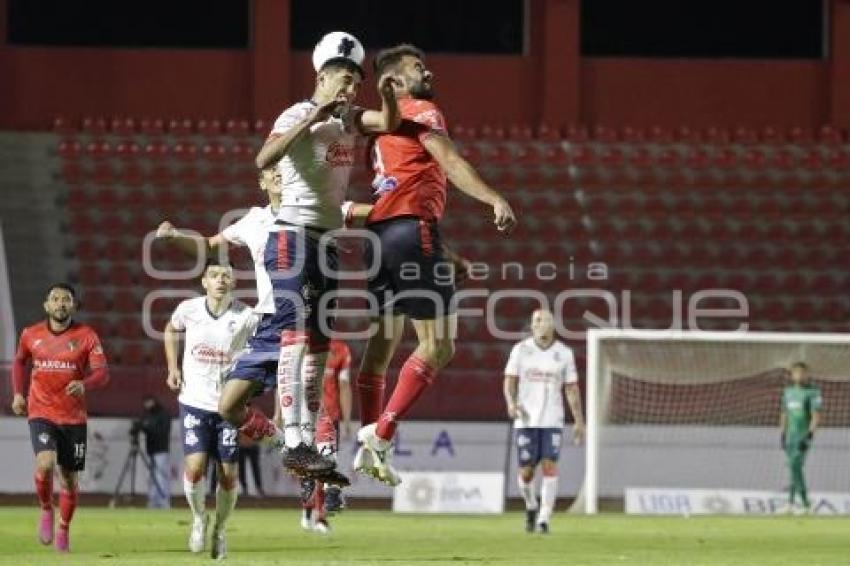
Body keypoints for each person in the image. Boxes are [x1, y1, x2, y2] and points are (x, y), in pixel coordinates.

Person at [353, 44, 518, 485]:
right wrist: (493, 197)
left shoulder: (377, 132)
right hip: (412, 230)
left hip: (379, 238)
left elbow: (397, 194)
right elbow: (450, 160)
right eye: (417, 67)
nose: (429, 72)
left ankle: (367, 433)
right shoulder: (421, 110)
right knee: (439, 345)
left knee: (380, 351)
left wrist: (443, 255)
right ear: (398, 82)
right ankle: (381, 435)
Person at [252, 30, 400, 473]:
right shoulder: (298, 112)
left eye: (356, 82)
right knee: (295, 333)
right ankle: (292, 435)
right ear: (321, 77)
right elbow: (264, 159)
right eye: (343, 79)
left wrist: (388, 97)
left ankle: (310, 433)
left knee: (318, 344)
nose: (351, 89)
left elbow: (387, 123)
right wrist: (313, 115)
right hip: (291, 234)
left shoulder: (351, 118)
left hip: (328, 242)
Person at [10, 283, 110, 552]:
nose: (61, 303)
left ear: (73, 306)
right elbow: (20, 362)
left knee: (69, 479)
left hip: (73, 417)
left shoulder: (87, 335)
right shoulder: (31, 334)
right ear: (46, 305)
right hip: (41, 410)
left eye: (66, 299)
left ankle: (63, 528)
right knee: (45, 464)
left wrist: (84, 384)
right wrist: (19, 394)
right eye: (55, 299)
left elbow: (102, 372)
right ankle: (46, 508)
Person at [163, 261, 252, 559]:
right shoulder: (188, 309)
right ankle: (199, 518)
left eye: (227, 275)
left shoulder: (246, 316)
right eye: (214, 275)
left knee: (227, 475)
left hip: (228, 406)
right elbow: (170, 329)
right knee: (195, 467)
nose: (221, 280)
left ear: (234, 282)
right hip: (194, 401)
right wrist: (173, 368)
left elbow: (263, 350)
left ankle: (221, 528)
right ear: (204, 282)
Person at [503, 309, 584, 534]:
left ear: (553, 325)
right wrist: (511, 402)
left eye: (546, 319)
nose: (541, 323)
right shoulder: (521, 350)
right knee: (526, 472)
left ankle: (544, 519)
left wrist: (578, 420)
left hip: (552, 419)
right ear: (531, 326)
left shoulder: (564, 353)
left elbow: (571, 388)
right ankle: (531, 505)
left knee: (549, 465)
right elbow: (509, 381)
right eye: (537, 320)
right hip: (526, 419)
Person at [297, 338, 352, 534]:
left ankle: (320, 516)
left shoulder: (341, 349)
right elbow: (287, 380)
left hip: (329, 417)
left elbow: (344, 385)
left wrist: (346, 419)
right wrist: (281, 414)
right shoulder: (301, 344)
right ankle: (307, 507)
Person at [780, 361, 822, 513]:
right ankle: (790, 503)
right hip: (790, 435)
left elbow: (816, 416)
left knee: (794, 465)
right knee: (793, 468)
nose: (800, 375)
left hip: (802, 435)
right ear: (791, 375)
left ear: (807, 375)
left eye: (803, 373)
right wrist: (782, 434)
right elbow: (784, 414)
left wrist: (809, 436)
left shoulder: (812, 392)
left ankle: (805, 503)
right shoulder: (787, 392)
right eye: (796, 372)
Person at [134, 395, 171, 509]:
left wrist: (148, 427)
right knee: (152, 476)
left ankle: (163, 500)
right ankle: (153, 500)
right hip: (151, 449)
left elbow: (163, 430)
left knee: (160, 476)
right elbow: (146, 428)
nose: (147, 405)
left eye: (149, 402)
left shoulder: (163, 414)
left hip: (161, 449)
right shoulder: (148, 415)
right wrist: (141, 427)